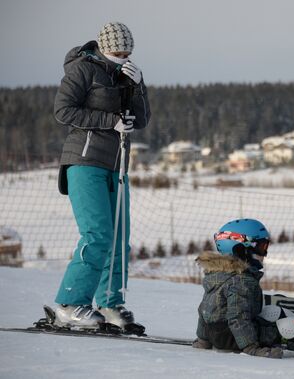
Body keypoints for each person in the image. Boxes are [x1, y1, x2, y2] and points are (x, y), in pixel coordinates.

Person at [52, 22, 151, 329]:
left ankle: (110, 303)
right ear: (103, 48)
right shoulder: (82, 70)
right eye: (117, 52)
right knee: (97, 235)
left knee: (119, 239)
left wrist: (138, 89)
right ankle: (70, 303)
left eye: (128, 52)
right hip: (85, 162)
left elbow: (142, 119)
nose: (123, 56)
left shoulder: (129, 73)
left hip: (117, 165)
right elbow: (63, 110)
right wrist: (111, 121)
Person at [192, 218, 294, 358]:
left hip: (218, 334)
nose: (264, 254)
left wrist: (203, 340)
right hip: (233, 338)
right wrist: (251, 348)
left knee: (271, 311)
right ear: (241, 249)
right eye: (261, 247)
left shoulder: (218, 275)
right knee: (291, 326)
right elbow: (238, 317)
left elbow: (204, 309)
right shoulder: (241, 281)